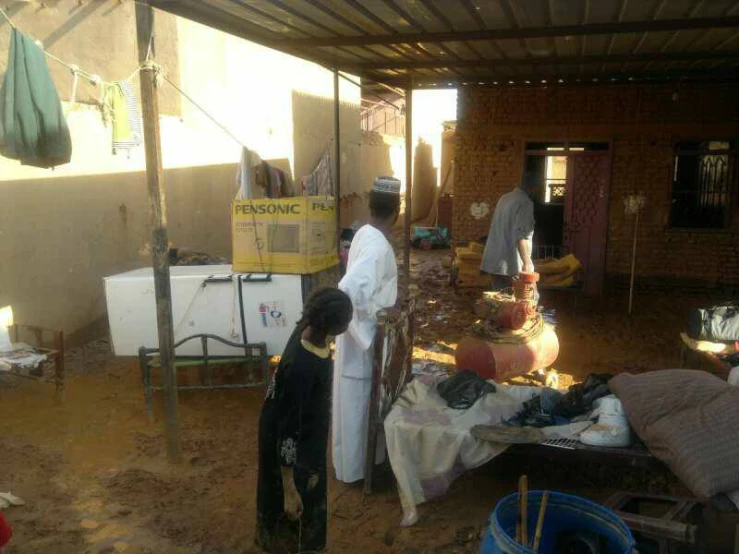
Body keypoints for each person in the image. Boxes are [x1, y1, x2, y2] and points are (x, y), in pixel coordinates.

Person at [256, 288, 354, 554]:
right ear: (333, 326)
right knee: (293, 508)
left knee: (302, 497)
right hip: (290, 444)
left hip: (297, 428)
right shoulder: (302, 367)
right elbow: (287, 432)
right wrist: (289, 486)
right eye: (346, 321)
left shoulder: (307, 327)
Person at [333, 176, 401, 484]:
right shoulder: (378, 247)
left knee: (358, 406)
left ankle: (361, 466)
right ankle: (359, 474)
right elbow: (348, 291)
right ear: (397, 211)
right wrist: (377, 322)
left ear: (371, 206)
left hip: (358, 338)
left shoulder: (365, 233)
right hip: (363, 341)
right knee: (360, 407)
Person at [480, 172, 538, 290]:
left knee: (499, 300)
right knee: (528, 299)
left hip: (494, 261)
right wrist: (527, 263)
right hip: (512, 264)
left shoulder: (504, 198)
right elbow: (521, 235)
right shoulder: (525, 202)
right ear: (534, 188)